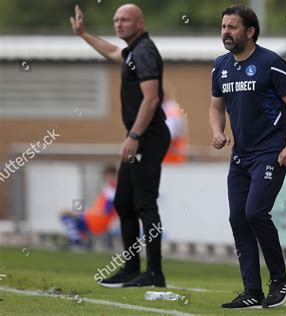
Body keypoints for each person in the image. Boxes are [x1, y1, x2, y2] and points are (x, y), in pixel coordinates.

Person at [209, 5, 286, 309]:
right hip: (241, 155)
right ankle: (252, 290)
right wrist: (218, 131)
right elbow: (215, 107)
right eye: (223, 26)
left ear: (250, 32)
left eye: (232, 27)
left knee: (254, 213)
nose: (226, 32)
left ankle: (281, 280)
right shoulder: (220, 66)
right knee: (237, 218)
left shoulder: (270, 63)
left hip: (270, 151)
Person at [70, 4, 170, 288]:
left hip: (148, 136)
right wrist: (83, 34)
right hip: (139, 135)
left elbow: (151, 99)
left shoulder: (145, 51)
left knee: (144, 203)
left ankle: (154, 272)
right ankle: (130, 268)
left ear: (139, 23)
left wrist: (134, 137)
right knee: (124, 203)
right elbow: (111, 51)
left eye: (124, 19)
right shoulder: (132, 52)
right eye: (116, 20)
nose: (118, 24)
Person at [60, 166, 118, 248]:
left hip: (97, 221)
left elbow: (107, 210)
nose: (106, 178)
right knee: (70, 215)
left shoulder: (112, 189)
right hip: (96, 219)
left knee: (65, 215)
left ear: (113, 175)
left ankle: (77, 242)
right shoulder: (110, 188)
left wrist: (85, 212)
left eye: (107, 175)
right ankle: (81, 240)